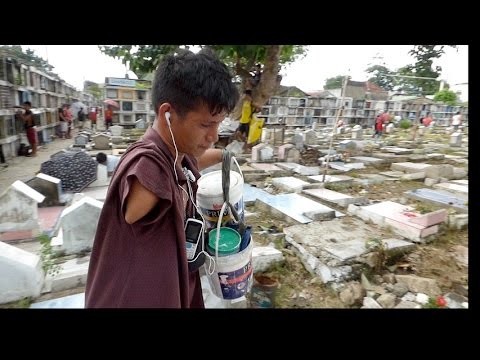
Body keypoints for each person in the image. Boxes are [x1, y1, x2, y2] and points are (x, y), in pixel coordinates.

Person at [85, 48, 239, 308]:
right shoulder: (149, 163)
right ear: (167, 113)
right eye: (205, 125)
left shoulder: (176, 155)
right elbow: (136, 207)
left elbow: (190, 162)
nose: (213, 135)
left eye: (218, 124)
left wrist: (225, 156)